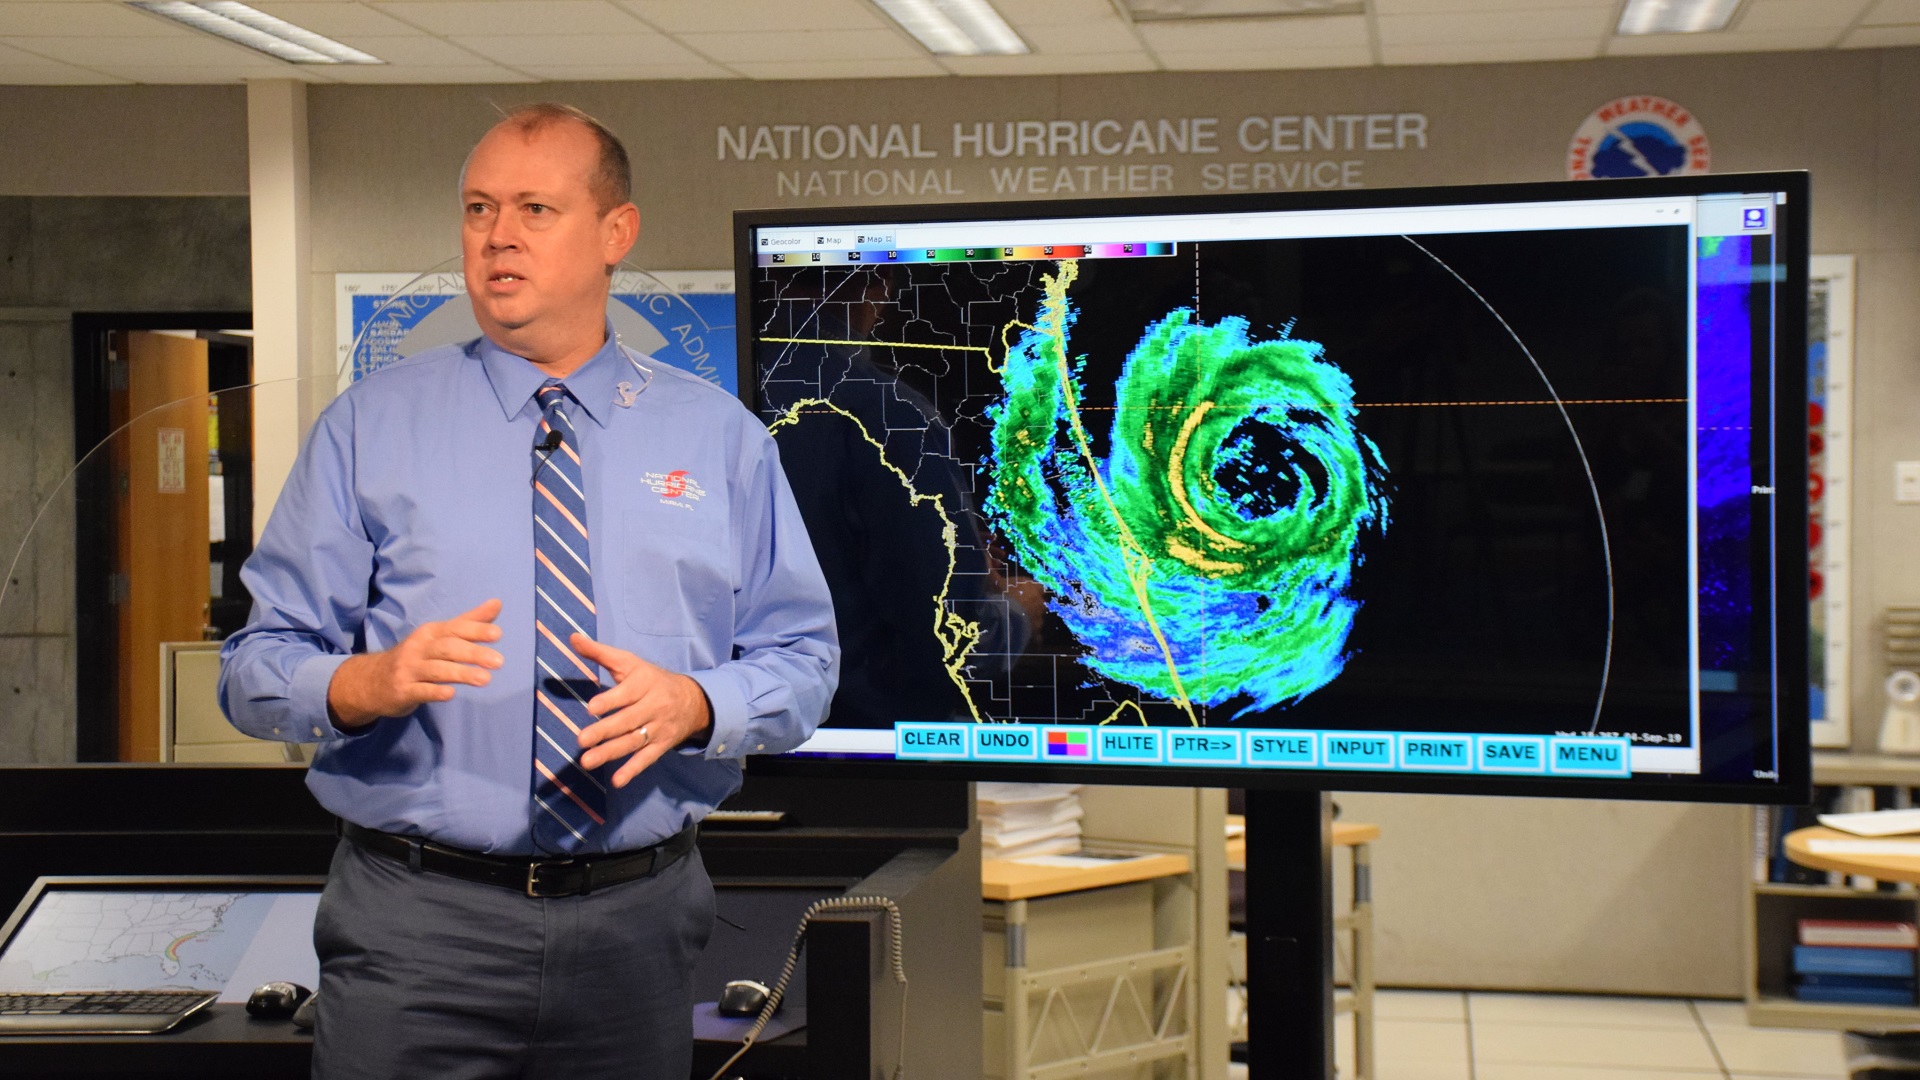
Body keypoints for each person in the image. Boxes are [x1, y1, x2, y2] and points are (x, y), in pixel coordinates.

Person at [218, 102, 838, 1079]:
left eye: (535, 208)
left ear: (615, 234)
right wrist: (358, 685)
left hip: (635, 928)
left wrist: (698, 701)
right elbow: (255, 665)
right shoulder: (367, 429)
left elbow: (805, 663)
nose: (498, 235)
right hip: (416, 929)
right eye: (478, 208)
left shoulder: (716, 439)